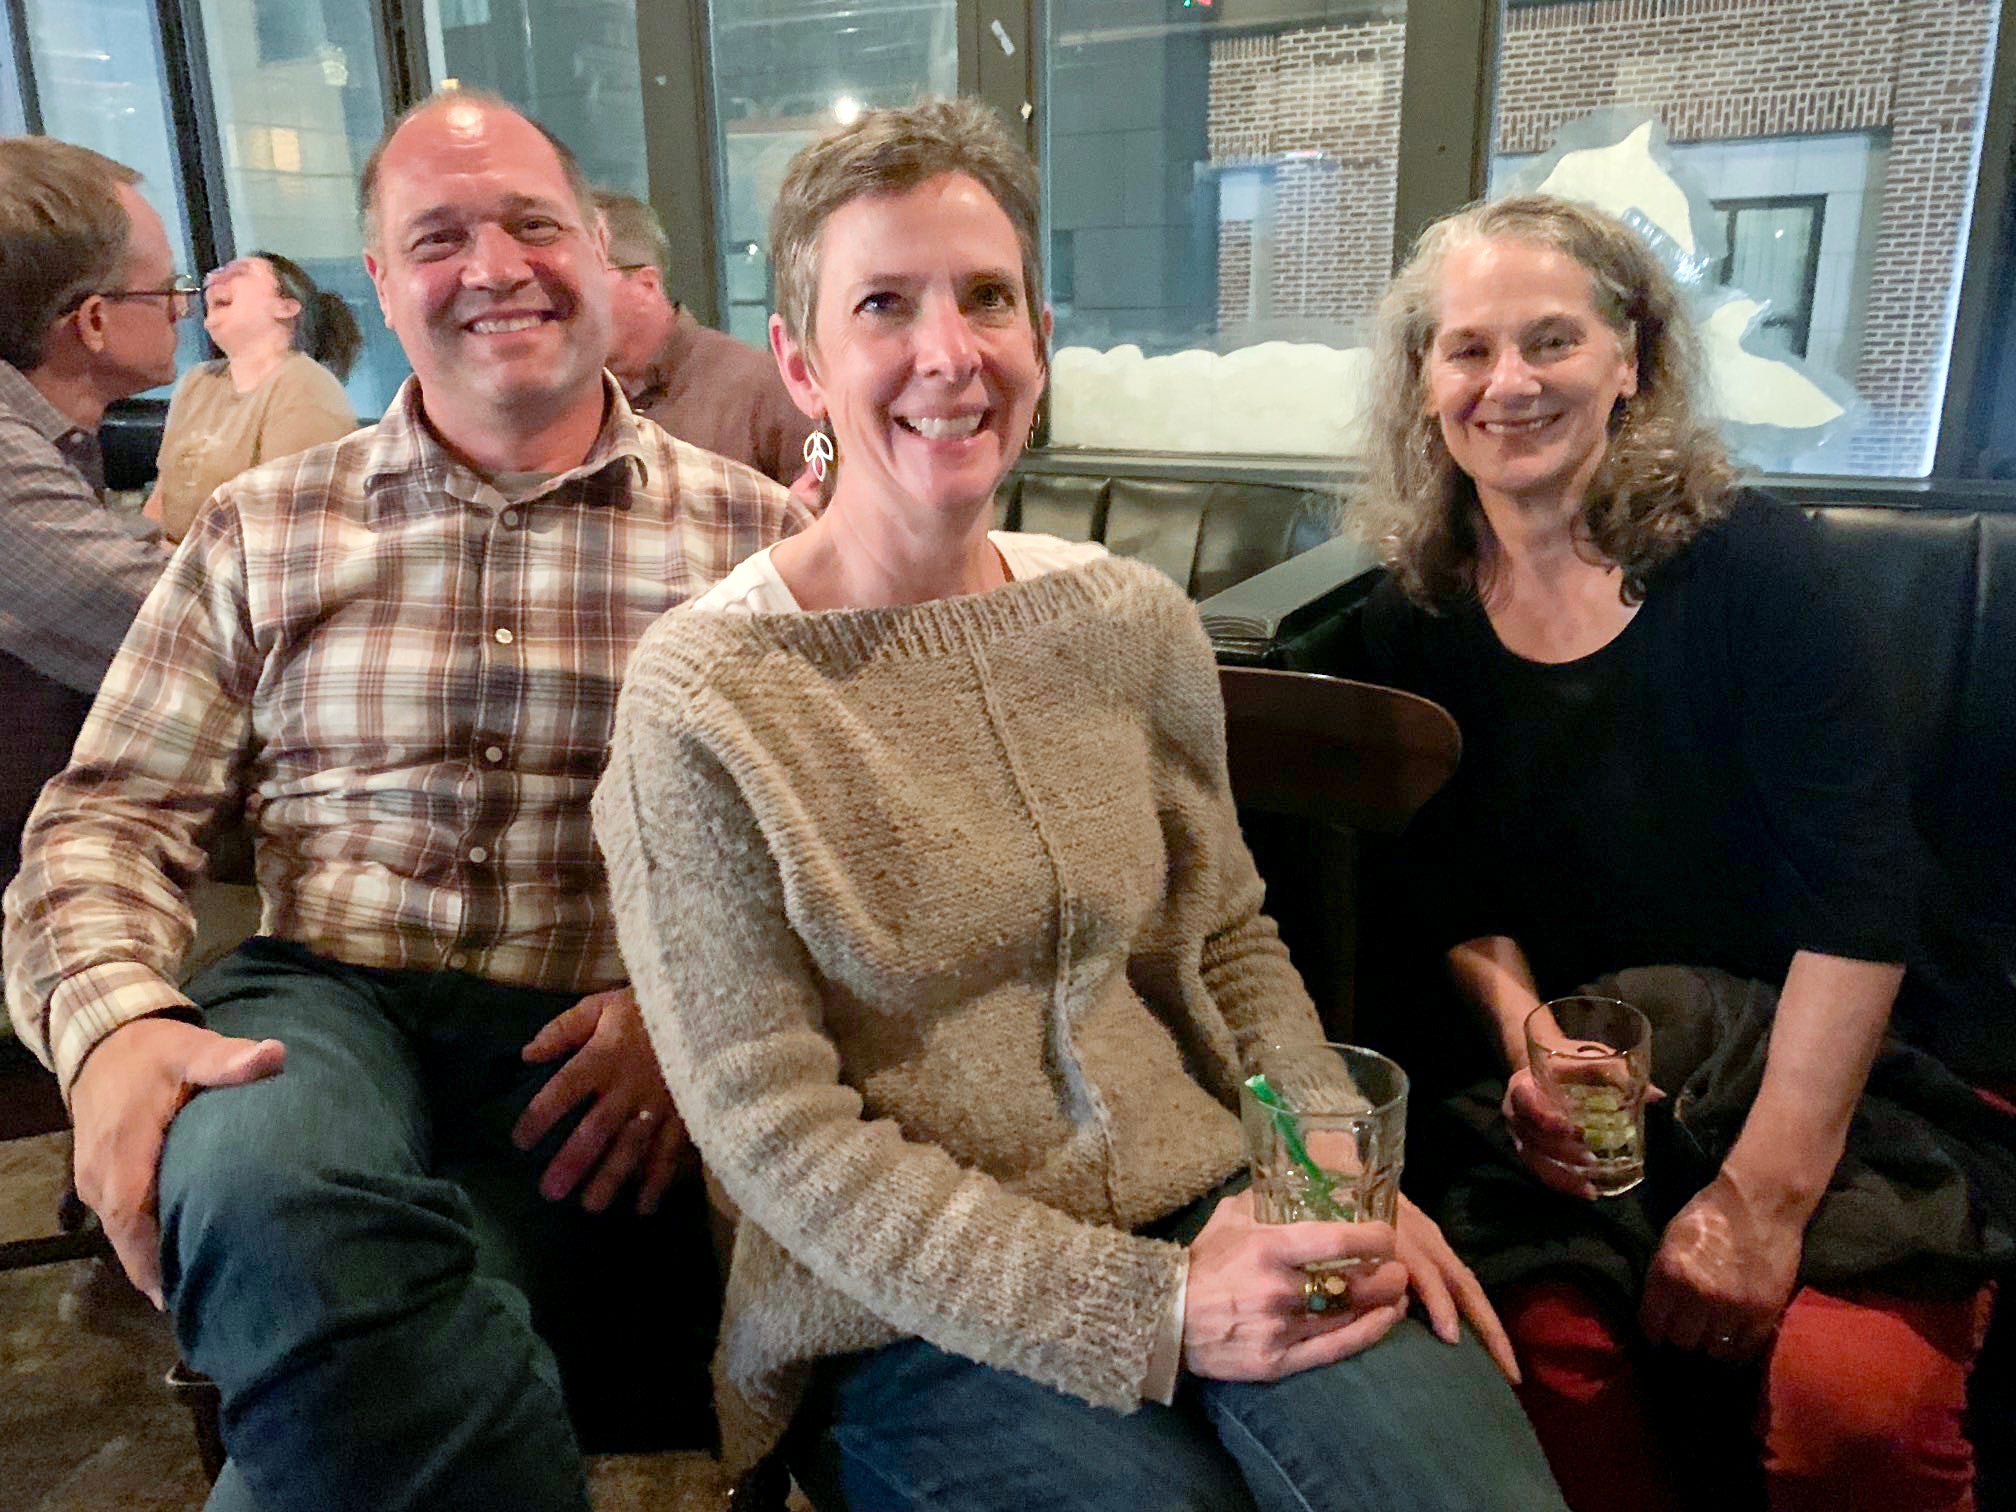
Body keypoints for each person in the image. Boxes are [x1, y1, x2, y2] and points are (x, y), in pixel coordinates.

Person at [592, 99, 1569, 1512]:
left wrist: (1328, 1179)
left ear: (1038, 334)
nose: (950, 353)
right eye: (885, 304)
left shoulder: (1128, 619)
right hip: (904, 1313)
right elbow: (772, 1132)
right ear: (803, 366)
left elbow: (1228, 937)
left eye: (988, 298)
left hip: (1214, 1194)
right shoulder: (704, 697)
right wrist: (1150, 1314)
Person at [4, 88, 814, 1512]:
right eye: (438, 236)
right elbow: (106, 817)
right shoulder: (266, 525)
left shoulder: (758, 540)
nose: (493, 266)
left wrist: (697, 998)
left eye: (531, 224)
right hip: (324, 1002)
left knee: (327, 1382)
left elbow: (845, 853)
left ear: (600, 252)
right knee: (251, 1174)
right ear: (381, 283)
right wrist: (116, 1014)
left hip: (600, 1045)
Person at [1346, 192, 2015, 1512]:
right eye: (1467, 349)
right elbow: (1455, 898)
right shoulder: (1408, 611)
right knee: (1535, 1373)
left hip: (1834, 1065)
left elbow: (1859, 895)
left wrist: (1763, 1202)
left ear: (1631, 361)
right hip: (1603, 1089)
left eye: (1552, 341)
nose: (1509, 383)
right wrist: (1536, 1045)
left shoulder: (1756, 571)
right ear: (1424, 381)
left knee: (1852, 1416)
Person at [0, 138, 178, 890]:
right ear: (94, 321)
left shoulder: (53, 438)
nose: (181, 311)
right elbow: (178, 631)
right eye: (169, 290)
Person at [595, 187, 817, 490]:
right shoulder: (568, 403)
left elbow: (827, 515)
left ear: (647, 285)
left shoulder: (760, 388)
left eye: (588, 278)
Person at [145, 251, 361, 541]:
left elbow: (288, 528)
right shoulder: (198, 382)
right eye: (215, 272)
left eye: (240, 271)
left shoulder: (305, 387)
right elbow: (162, 499)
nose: (211, 278)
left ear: (286, 308)